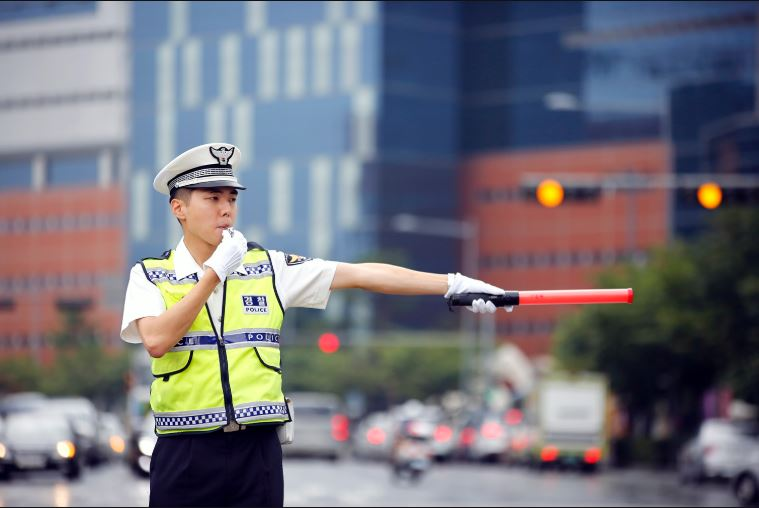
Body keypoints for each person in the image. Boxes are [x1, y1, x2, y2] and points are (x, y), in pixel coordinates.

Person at [120, 142, 513, 507]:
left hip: (256, 451)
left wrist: (452, 284)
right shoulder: (152, 275)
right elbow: (156, 340)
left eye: (232, 199)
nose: (226, 209)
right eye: (212, 198)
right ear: (179, 208)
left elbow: (362, 274)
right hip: (185, 451)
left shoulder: (267, 267)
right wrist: (214, 274)